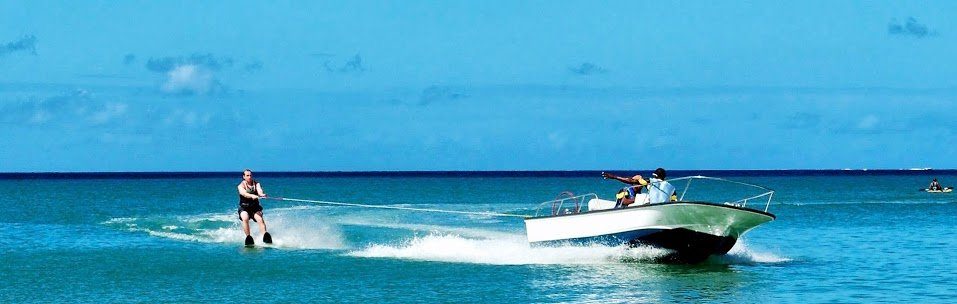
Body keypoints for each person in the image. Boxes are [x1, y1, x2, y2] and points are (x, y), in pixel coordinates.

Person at [602, 168, 677, 207]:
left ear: (654, 175)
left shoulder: (649, 181)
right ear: (664, 177)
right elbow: (674, 202)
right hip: (664, 209)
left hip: (653, 208)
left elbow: (631, 181)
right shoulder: (672, 188)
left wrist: (614, 177)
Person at [238, 169, 271, 245]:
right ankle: (248, 237)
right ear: (244, 177)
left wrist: (262, 195)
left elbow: (259, 191)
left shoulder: (256, 184)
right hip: (244, 208)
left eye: (250, 175)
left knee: (259, 219)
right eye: (247, 175)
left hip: (255, 207)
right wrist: (252, 195)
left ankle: (265, 236)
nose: (249, 177)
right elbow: (244, 193)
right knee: (245, 218)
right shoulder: (241, 186)